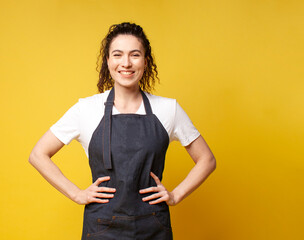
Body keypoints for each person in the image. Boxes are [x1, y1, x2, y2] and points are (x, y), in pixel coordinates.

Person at [29, 22, 216, 240]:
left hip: (153, 224)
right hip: (102, 226)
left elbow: (207, 160)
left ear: (145, 62)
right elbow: (38, 155)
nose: (126, 63)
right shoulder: (86, 109)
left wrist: (175, 195)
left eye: (134, 55)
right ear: (107, 61)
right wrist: (76, 194)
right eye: (117, 55)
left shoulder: (168, 109)